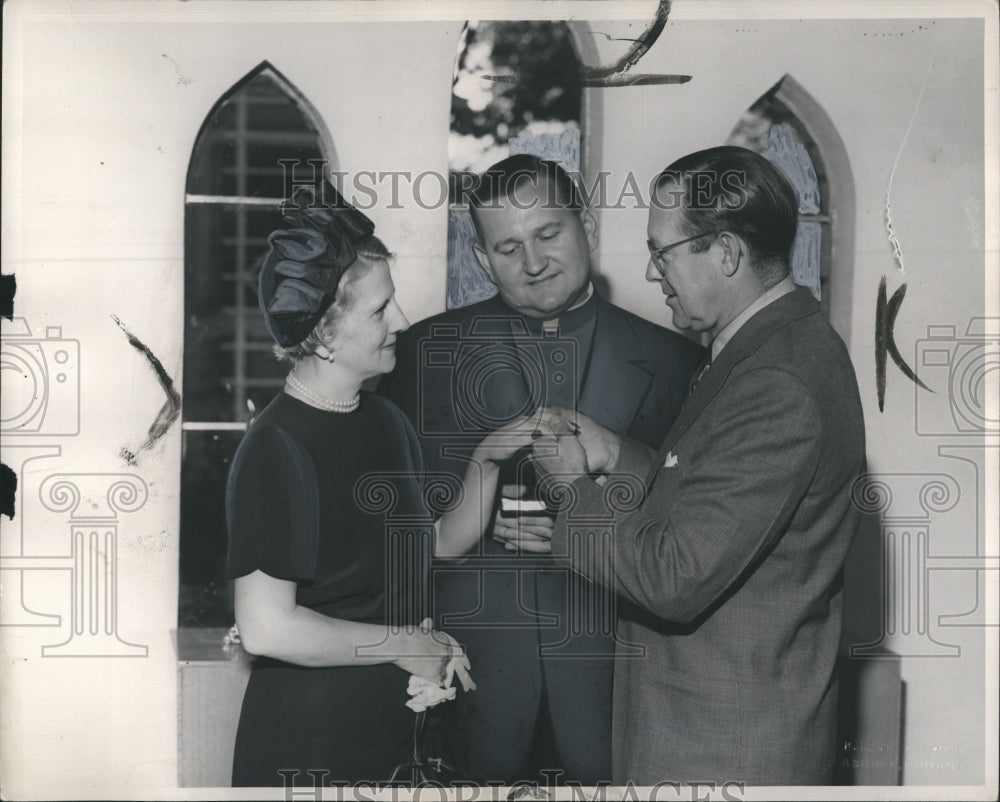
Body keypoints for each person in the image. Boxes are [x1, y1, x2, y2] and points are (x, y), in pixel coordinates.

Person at [530, 146, 867, 785]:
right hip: (708, 730)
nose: (654, 273)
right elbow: (720, 493)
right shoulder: (773, 343)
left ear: (727, 253)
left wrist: (573, 487)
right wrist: (617, 454)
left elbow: (677, 576)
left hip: (722, 748)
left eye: (662, 251)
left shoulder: (778, 379)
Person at [378, 154, 704, 783]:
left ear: (587, 227)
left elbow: (691, 516)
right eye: (507, 247)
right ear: (480, 259)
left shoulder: (675, 361)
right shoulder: (419, 355)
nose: (533, 263)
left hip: (616, 671)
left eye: (549, 234)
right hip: (469, 678)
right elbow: (395, 527)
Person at [226, 181, 536, 787]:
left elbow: (437, 543)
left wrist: (487, 460)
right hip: (313, 737)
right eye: (379, 310)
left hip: (397, 727)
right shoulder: (276, 446)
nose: (402, 320)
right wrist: (400, 643)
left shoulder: (384, 419)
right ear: (321, 335)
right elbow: (266, 627)